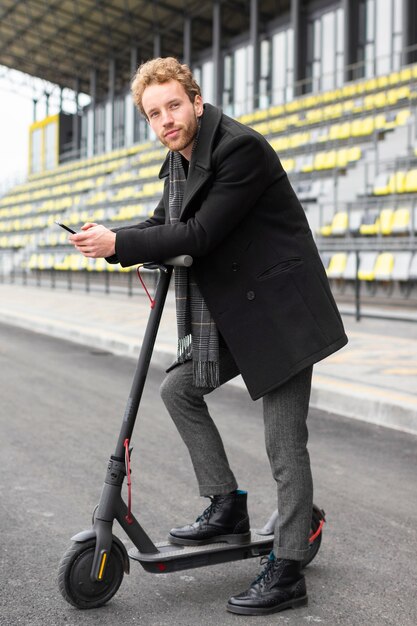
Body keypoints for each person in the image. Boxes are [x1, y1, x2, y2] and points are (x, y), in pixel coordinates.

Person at [70, 56, 348, 615]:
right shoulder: (178, 160)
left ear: (196, 102)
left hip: (282, 311)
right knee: (179, 389)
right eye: (154, 114)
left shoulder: (239, 150)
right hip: (237, 311)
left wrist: (121, 248)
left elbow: (199, 234)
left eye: (173, 106)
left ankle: (289, 568)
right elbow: (160, 222)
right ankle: (226, 504)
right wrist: (111, 235)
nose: (166, 120)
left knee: (283, 444)